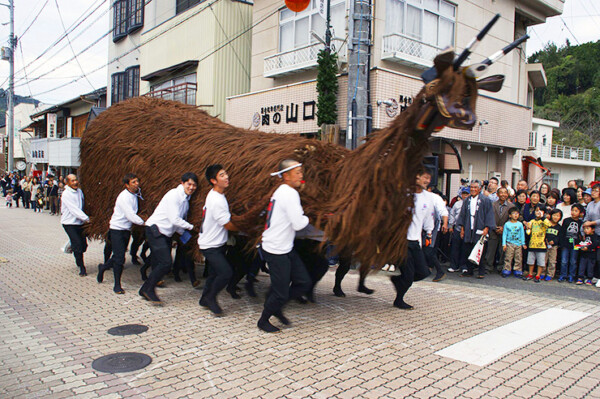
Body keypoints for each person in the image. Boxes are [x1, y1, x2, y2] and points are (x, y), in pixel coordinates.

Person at [257, 160, 312, 333]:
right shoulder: (289, 194)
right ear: (286, 176)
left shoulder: (283, 191)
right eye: (297, 172)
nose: (301, 176)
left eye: (301, 172)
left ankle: (277, 305)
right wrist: (308, 217)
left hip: (285, 247)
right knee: (280, 292)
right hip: (275, 249)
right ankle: (263, 319)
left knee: (303, 282)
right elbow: (298, 224)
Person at [139, 173, 197, 304]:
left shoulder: (185, 200)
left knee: (162, 262)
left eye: (194, 185)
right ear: (182, 183)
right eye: (189, 184)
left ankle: (145, 289)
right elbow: (174, 219)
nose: (192, 187)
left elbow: (176, 223)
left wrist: (184, 233)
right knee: (165, 263)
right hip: (156, 230)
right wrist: (191, 227)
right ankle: (149, 289)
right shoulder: (174, 195)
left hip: (165, 233)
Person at [390, 168, 433, 310]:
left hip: (416, 241)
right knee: (408, 275)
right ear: (416, 177)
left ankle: (398, 280)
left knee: (423, 272)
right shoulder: (405, 195)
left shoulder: (427, 198)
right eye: (425, 177)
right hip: (402, 242)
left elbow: (427, 218)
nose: (427, 181)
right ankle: (399, 300)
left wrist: (429, 232)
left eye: (429, 178)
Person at [198, 165, 239, 315]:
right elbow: (227, 224)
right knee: (226, 273)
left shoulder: (218, 195)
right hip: (210, 245)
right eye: (222, 175)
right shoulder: (216, 200)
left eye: (226, 173)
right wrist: (245, 228)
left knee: (214, 274)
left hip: (216, 242)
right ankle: (211, 298)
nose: (226, 177)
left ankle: (204, 299)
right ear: (213, 180)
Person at [97, 173, 145, 294]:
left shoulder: (135, 195)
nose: (137, 184)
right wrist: (144, 222)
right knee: (119, 258)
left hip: (126, 230)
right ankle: (117, 285)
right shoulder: (124, 197)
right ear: (126, 185)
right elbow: (130, 215)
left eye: (137, 181)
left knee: (118, 255)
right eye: (133, 182)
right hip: (117, 229)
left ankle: (103, 267)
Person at [455, 180, 496, 278]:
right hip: (469, 227)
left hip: (480, 227)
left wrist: (486, 228)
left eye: (475, 187)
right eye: (471, 187)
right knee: (467, 249)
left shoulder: (485, 200)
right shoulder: (466, 200)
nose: (473, 189)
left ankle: (481, 272)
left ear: (480, 189)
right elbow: (463, 215)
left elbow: (489, 215)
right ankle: (469, 271)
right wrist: (462, 229)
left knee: (480, 250)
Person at [61, 174, 90, 276]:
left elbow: (82, 205)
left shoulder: (79, 192)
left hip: (79, 223)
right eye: (72, 181)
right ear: (67, 182)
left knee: (83, 245)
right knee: (77, 244)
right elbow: (74, 210)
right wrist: (87, 218)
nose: (75, 182)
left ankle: (73, 246)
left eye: (76, 180)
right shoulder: (66, 194)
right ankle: (82, 267)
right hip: (69, 223)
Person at [484, 187, 515, 273]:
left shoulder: (511, 206)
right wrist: (494, 227)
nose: (503, 194)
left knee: (503, 250)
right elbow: (489, 216)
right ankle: (488, 267)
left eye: (505, 193)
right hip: (493, 230)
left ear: (507, 195)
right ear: (497, 194)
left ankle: (501, 267)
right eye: (501, 192)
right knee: (491, 250)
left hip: (506, 231)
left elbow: (513, 218)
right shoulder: (492, 204)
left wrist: (504, 228)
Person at [522, 204, 551, 282]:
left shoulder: (544, 221)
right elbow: (528, 232)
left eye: (540, 210)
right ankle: (530, 274)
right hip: (532, 244)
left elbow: (549, 225)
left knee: (540, 262)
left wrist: (543, 217)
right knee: (530, 261)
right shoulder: (532, 221)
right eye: (536, 210)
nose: (538, 212)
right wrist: (527, 227)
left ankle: (538, 275)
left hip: (541, 245)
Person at [558, 204, 584, 283]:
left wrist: (580, 244)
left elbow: (581, 234)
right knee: (564, 260)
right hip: (566, 243)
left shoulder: (580, 222)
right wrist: (561, 243)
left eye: (576, 211)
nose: (573, 212)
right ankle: (563, 274)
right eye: (572, 210)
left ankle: (571, 275)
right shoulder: (566, 220)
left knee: (573, 261)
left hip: (575, 244)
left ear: (580, 213)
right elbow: (562, 232)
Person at [447, 187, 469, 273]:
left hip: (467, 230)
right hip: (457, 228)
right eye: (464, 194)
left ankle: (464, 266)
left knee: (465, 248)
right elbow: (452, 215)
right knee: (455, 248)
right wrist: (451, 226)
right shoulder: (457, 204)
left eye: (467, 194)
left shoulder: (471, 204)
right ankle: (454, 265)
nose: (465, 196)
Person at [582, 184, 600, 283]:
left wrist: (592, 223)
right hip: (590, 233)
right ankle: (590, 276)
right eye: (592, 191)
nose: (593, 193)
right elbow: (586, 217)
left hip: (598, 232)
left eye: (596, 191)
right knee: (589, 256)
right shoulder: (590, 204)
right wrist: (585, 225)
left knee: (598, 257)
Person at [502, 207, 525, 277]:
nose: (515, 215)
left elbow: (522, 234)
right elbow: (504, 234)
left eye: (517, 214)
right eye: (514, 213)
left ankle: (517, 270)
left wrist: (523, 243)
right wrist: (504, 244)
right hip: (509, 243)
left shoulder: (520, 224)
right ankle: (507, 269)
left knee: (518, 258)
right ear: (510, 215)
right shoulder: (507, 224)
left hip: (518, 243)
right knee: (508, 257)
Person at [544, 209, 562, 281]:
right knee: (544, 260)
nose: (555, 217)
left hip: (554, 246)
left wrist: (554, 241)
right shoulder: (547, 224)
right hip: (545, 245)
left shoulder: (559, 227)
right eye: (554, 215)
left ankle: (550, 274)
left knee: (552, 261)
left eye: (558, 216)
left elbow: (559, 237)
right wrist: (545, 240)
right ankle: (542, 273)